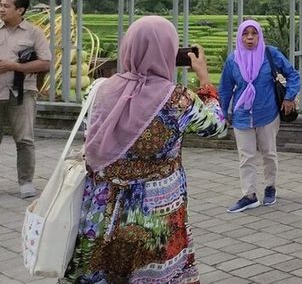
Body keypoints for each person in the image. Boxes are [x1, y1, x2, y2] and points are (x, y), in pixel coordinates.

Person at [62, 15, 227, 284]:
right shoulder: (179, 99)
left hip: (101, 207)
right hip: (156, 209)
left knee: (100, 272)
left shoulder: (98, 89)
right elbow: (216, 127)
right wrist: (205, 80)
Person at [219, 19, 301, 213]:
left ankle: (270, 186)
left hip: (268, 113)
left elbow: (292, 74)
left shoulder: (270, 54)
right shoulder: (233, 60)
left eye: (253, 33)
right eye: (245, 34)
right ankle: (249, 195)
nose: (249, 38)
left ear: (259, 35)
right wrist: (223, 113)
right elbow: (225, 89)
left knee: (269, 153)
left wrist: (289, 97)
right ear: (240, 36)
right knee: (245, 157)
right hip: (241, 115)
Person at [0, 0, 52, 199]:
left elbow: (46, 62)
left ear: (20, 10)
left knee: (24, 140)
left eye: (6, 6)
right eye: (1, 5)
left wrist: (13, 66)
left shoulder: (33, 33)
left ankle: (26, 183)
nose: (2, 9)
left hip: (21, 93)